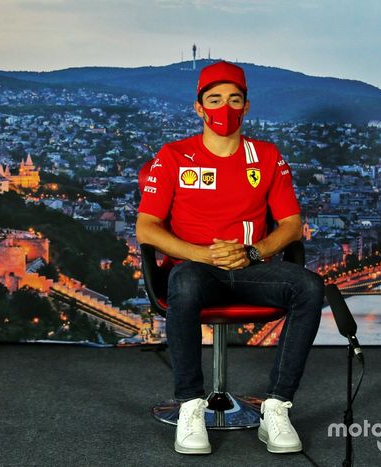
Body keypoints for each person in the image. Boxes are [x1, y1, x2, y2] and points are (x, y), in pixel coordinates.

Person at [135, 60, 324, 455]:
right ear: (199, 108)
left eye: (234, 99)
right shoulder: (173, 156)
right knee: (184, 281)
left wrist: (253, 252)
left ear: (247, 107)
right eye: (215, 99)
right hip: (196, 271)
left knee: (308, 286)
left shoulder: (267, 157)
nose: (225, 108)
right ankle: (191, 406)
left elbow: (290, 225)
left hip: (250, 268)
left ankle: (276, 407)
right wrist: (202, 254)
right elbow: (147, 228)